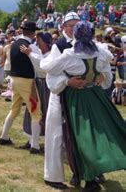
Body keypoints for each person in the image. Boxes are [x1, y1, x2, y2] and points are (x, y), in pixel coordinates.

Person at [44, 21, 126, 191]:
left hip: (78, 98)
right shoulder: (101, 52)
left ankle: (90, 178)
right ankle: (93, 174)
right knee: (101, 133)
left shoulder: (69, 54)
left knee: (83, 137)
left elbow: (48, 68)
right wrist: (102, 75)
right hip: (96, 97)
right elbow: (107, 69)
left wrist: (66, 80)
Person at [40, 12, 82, 189]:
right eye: (70, 25)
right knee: (56, 135)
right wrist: (67, 81)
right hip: (60, 94)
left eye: (77, 25)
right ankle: (53, 175)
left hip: (81, 96)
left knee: (82, 136)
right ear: (64, 27)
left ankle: (85, 173)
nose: (74, 29)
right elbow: (51, 71)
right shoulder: (60, 46)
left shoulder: (86, 43)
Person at [0, 21, 42, 154]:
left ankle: (4, 136)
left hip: (14, 79)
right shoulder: (32, 47)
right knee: (36, 113)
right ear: (33, 33)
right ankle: (35, 145)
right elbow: (40, 65)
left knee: (14, 109)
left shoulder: (13, 44)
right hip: (26, 81)